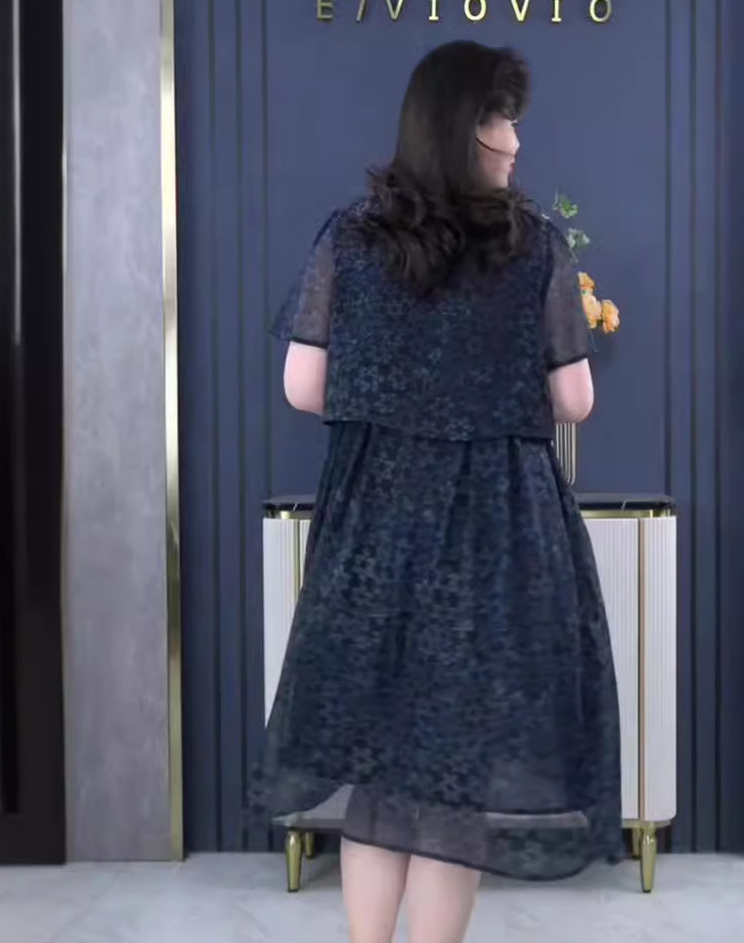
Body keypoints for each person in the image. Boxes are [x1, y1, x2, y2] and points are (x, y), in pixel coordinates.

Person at [249, 40, 622, 943]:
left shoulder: (349, 238)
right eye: (501, 119)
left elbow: (303, 385)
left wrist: (400, 392)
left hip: (374, 527)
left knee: (382, 768)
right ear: (463, 126)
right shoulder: (533, 246)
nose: (515, 142)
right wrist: (479, 392)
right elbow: (575, 398)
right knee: (454, 771)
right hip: (492, 528)